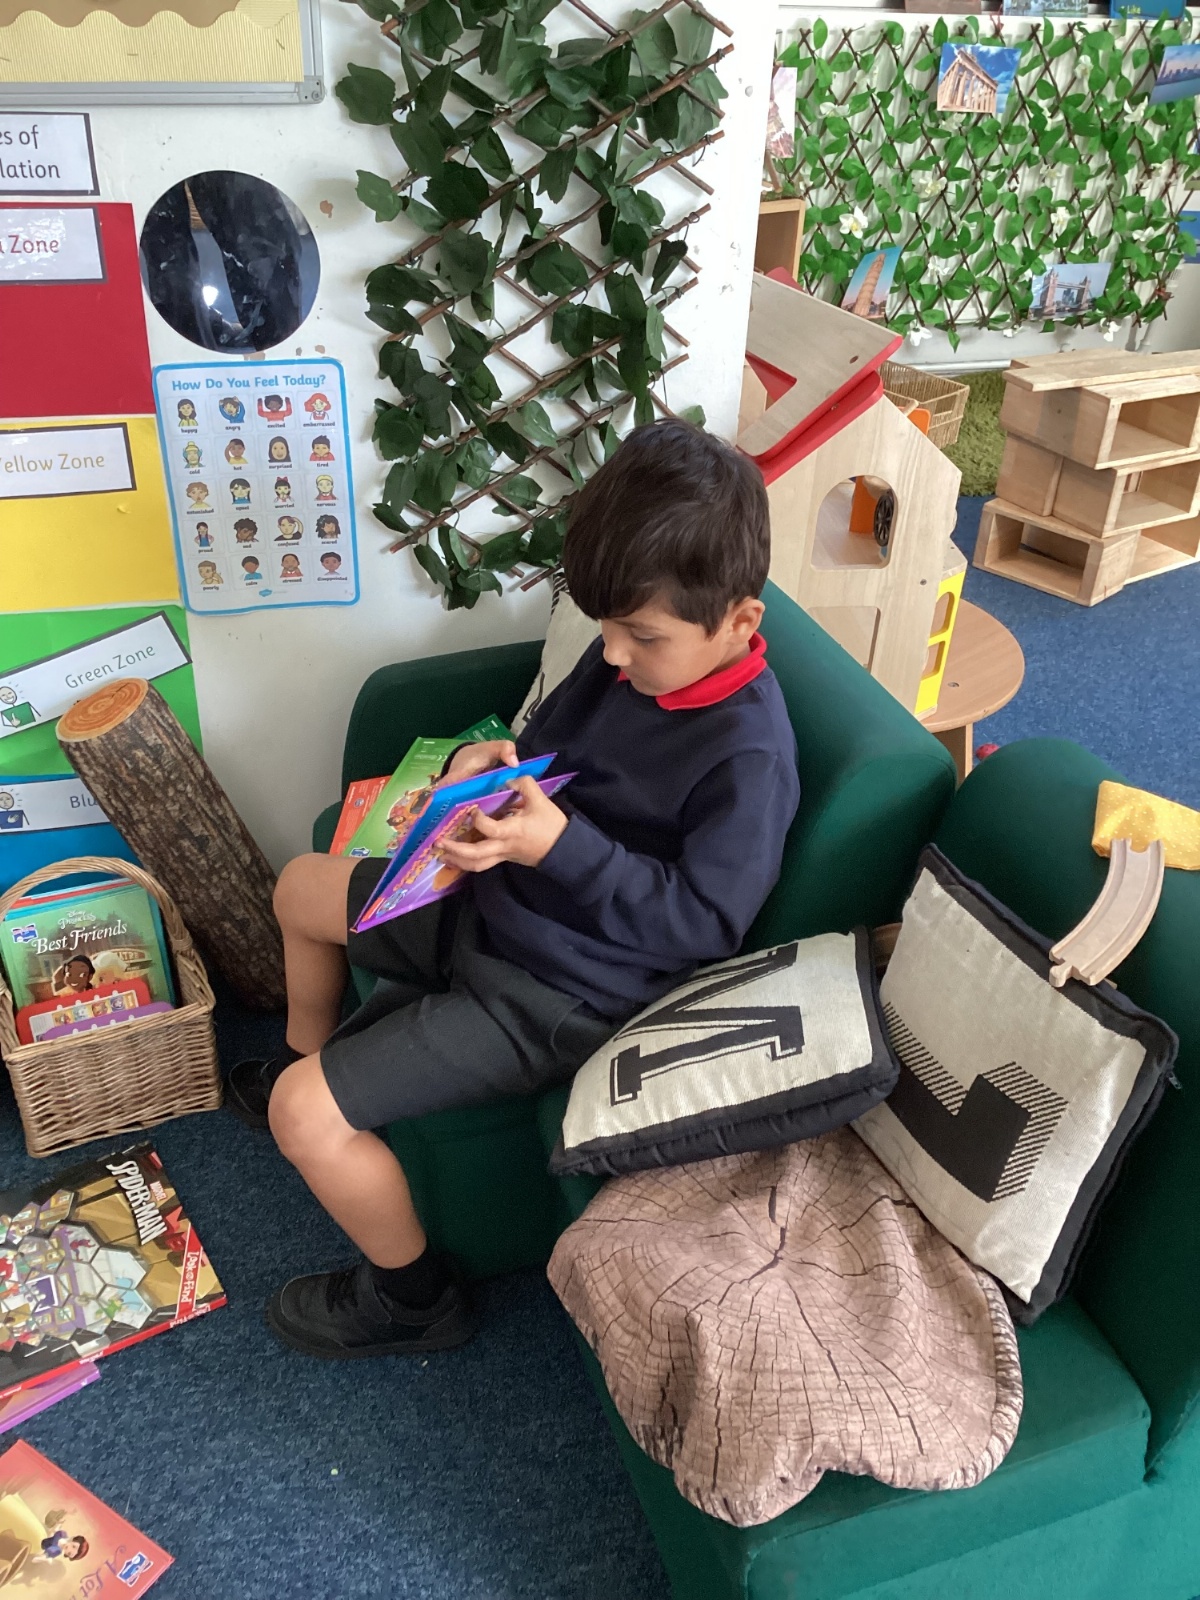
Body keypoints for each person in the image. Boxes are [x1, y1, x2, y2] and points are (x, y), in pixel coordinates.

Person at [227, 420, 800, 1361]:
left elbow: (702, 923)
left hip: (560, 994)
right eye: (605, 627)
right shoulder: (622, 667)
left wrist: (559, 846)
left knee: (305, 1115)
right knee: (298, 889)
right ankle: (310, 1051)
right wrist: (484, 772)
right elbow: (552, 750)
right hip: (490, 900)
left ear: (739, 623)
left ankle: (415, 1300)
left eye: (642, 636)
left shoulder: (750, 756)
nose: (612, 655)